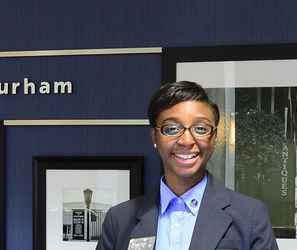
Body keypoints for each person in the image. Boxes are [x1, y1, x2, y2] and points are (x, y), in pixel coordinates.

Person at [97, 81, 279, 250]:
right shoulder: (120, 220)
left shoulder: (250, 216)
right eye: (172, 129)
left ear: (214, 138)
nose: (186, 140)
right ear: (154, 138)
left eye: (200, 129)